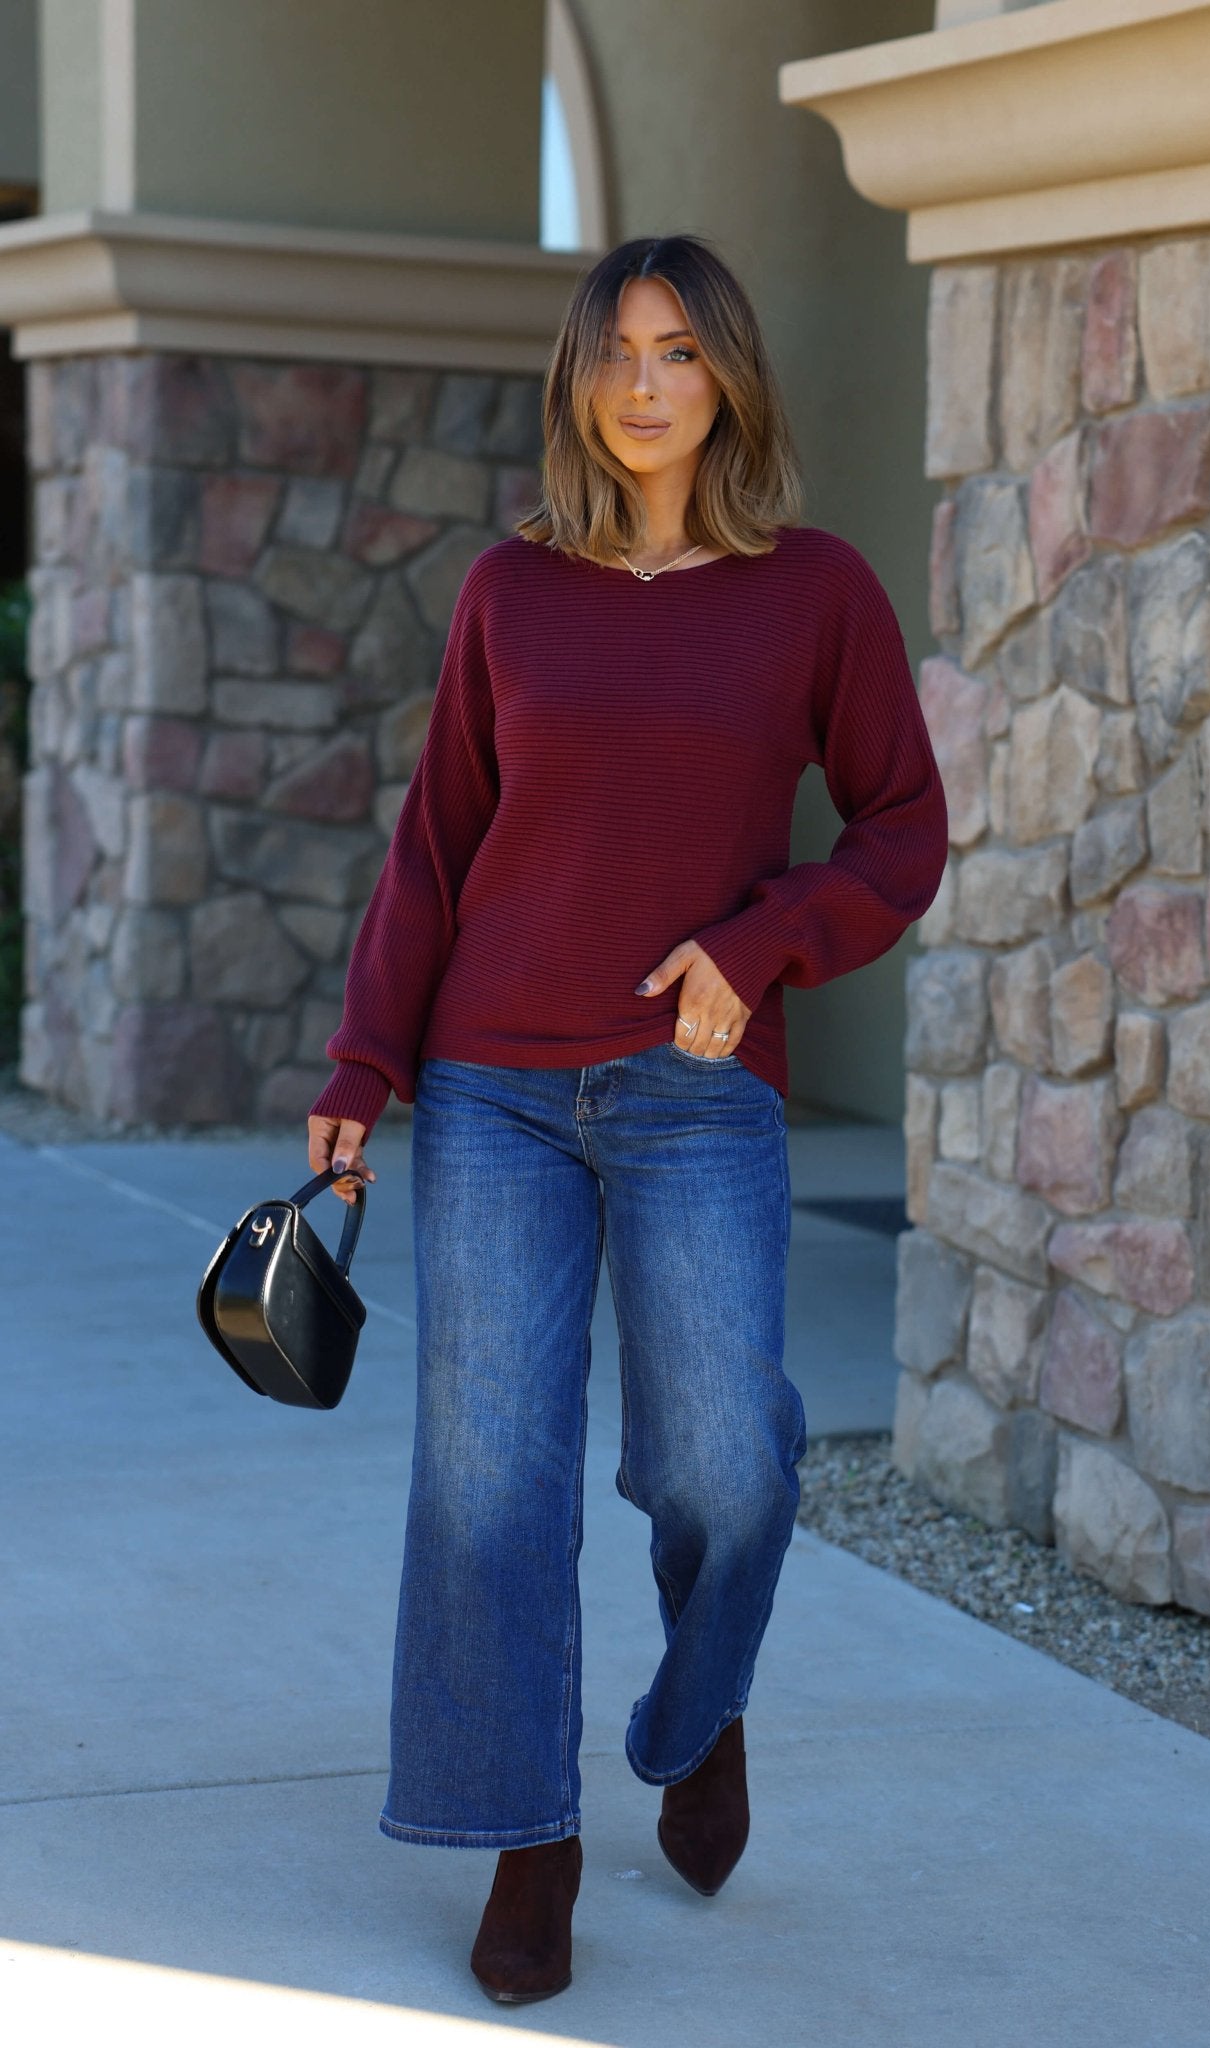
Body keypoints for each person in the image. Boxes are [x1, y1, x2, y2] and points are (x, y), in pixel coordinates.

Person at [305, 231, 948, 2005]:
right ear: (578, 383)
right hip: (496, 1083)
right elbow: (439, 843)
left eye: (676, 350)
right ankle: (530, 1838)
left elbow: (900, 827)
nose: (643, 383)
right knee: (490, 1477)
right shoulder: (512, 594)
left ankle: (698, 1705)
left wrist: (762, 945)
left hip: (693, 1089)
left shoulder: (813, 591)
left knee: (720, 1457)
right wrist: (367, 1067)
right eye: (614, 353)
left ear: (726, 373)